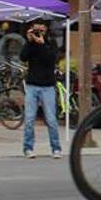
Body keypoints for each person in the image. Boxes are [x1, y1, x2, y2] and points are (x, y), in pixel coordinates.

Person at [19, 19, 62, 158]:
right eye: (36, 30)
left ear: (46, 29)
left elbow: (52, 60)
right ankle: (28, 148)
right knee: (29, 119)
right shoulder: (31, 43)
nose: (39, 33)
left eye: (41, 30)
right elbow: (23, 57)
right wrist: (29, 41)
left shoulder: (51, 43)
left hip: (48, 86)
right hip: (32, 85)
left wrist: (42, 44)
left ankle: (56, 148)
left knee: (51, 119)